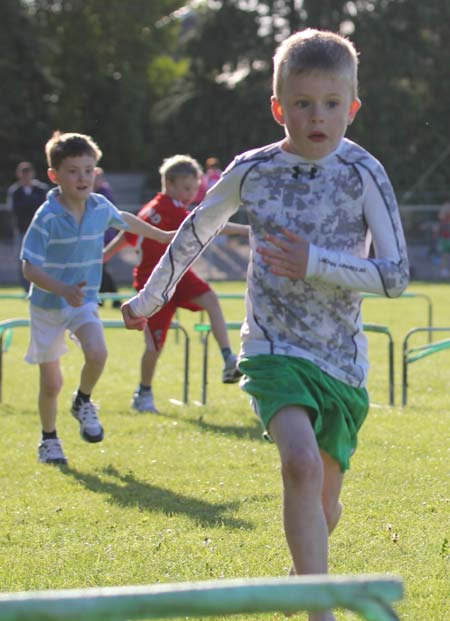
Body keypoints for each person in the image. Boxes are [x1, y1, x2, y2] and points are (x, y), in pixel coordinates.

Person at [121, 29, 409, 621]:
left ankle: (305, 574)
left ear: (352, 108)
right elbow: (196, 231)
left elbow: (396, 275)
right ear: (279, 108)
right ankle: (318, 611)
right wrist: (150, 299)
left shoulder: (364, 172)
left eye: (331, 104)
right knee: (298, 462)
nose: (317, 116)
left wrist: (318, 265)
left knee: (323, 506)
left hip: (342, 362)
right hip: (273, 348)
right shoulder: (253, 170)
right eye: (302, 103)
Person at [21, 131, 174, 466]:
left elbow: (126, 220)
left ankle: (83, 401)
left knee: (98, 351)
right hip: (48, 306)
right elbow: (29, 267)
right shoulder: (46, 217)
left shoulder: (99, 206)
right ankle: (49, 440)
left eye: (89, 170)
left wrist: (161, 235)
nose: (83, 177)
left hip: (83, 301)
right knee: (51, 383)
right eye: (74, 171)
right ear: (54, 175)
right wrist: (61, 290)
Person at [104, 154, 249, 413]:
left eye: (194, 189)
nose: (192, 194)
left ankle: (228, 357)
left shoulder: (154, 207)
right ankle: (143, 393)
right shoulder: (163, 209)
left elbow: (128, 235)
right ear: (169, 184)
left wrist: (105, 255)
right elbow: (210, 224)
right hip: (153, 281)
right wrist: (246, 230)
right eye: (187, 188)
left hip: (179, 274)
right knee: (154, 346)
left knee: (211, 300)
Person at [6, 162, 48, 291]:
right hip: (22, 230)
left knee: (43, 258)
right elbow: (15, 210)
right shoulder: (16, 191)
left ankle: (43, 285)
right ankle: (26, 288)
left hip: (41, 231)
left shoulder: (40, 190)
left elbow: (44, 208)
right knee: (23, 259)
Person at [93, 168, 121, 308]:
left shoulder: (103, 194)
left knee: (101, 268)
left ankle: (113, 299)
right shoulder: (99, 193)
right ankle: (107, 299)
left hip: (104, 237)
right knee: (100, 269)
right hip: (101, 236)